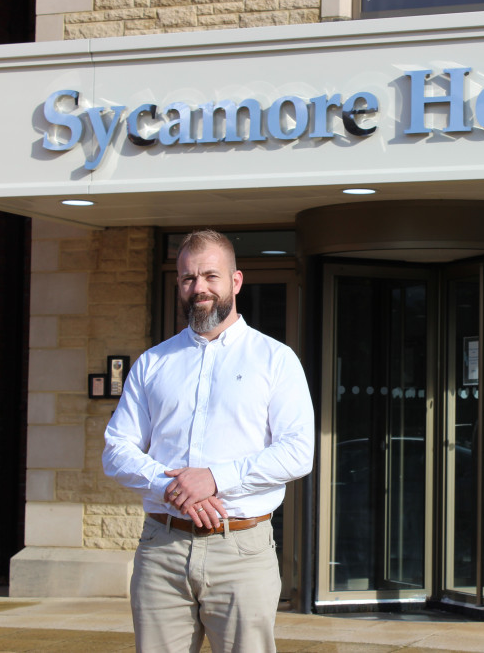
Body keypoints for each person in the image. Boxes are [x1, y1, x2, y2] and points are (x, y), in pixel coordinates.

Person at [103, 229, 314, 652]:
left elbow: (297, 452)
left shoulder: (275, 359)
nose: (198, 288)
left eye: (210, 277)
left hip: (240, 549)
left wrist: (214, 478)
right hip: (161, 548)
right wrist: (174, 488)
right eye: (187, 278)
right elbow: (116, 450)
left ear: (235, 282)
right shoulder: (153, 363)